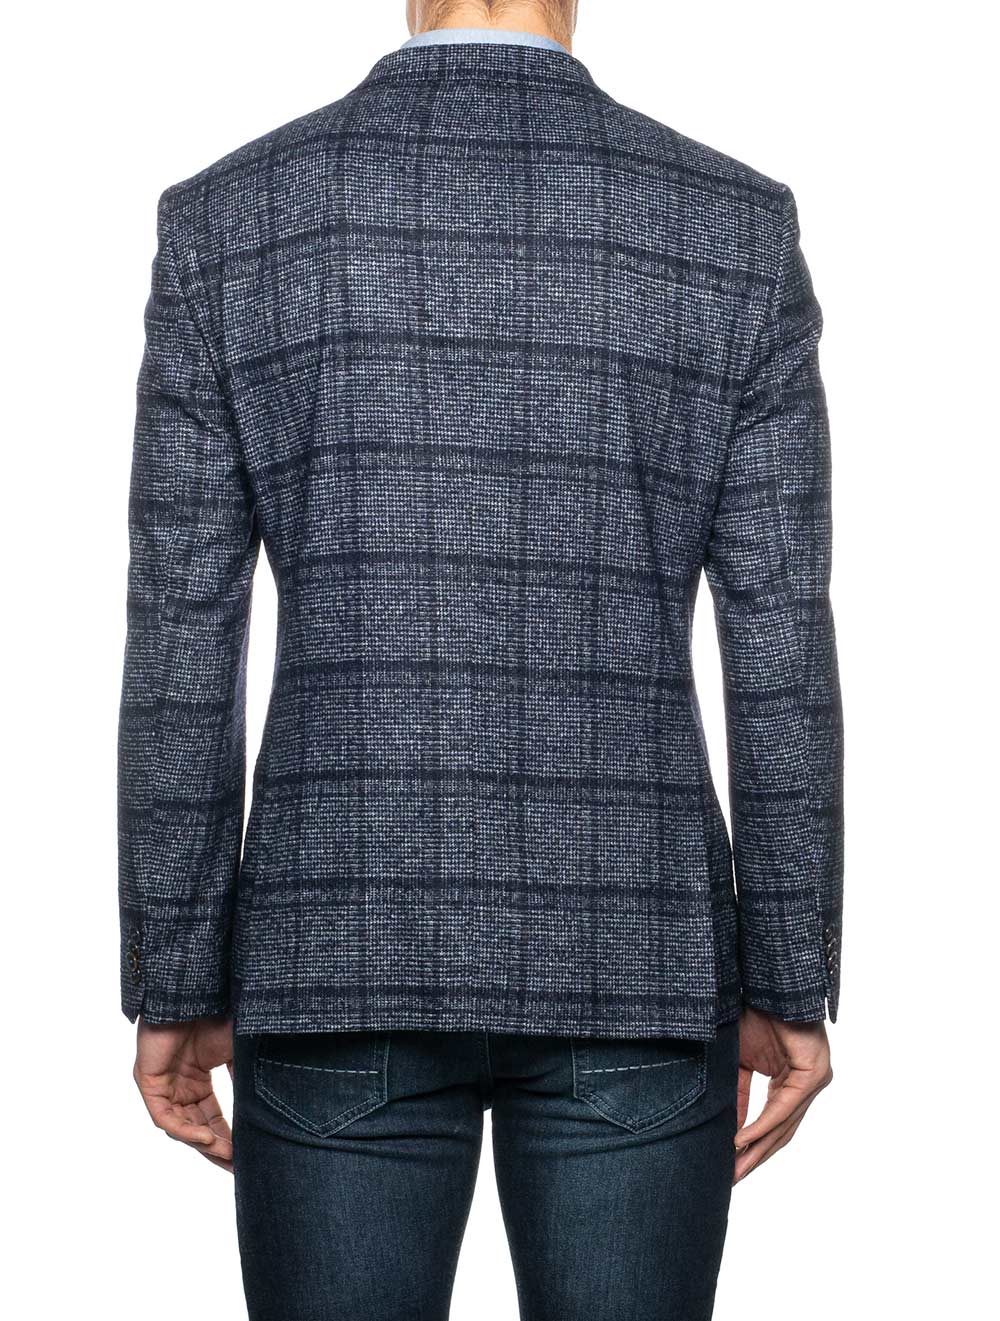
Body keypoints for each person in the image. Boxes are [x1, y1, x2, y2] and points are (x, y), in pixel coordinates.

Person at [119, 1, 843, 1316]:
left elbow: (183, 628)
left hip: (334, 947)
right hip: (638, 950)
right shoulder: (731, 227)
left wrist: (176, 974)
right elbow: (780, 635)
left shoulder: (233, 220)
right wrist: (792, 972)